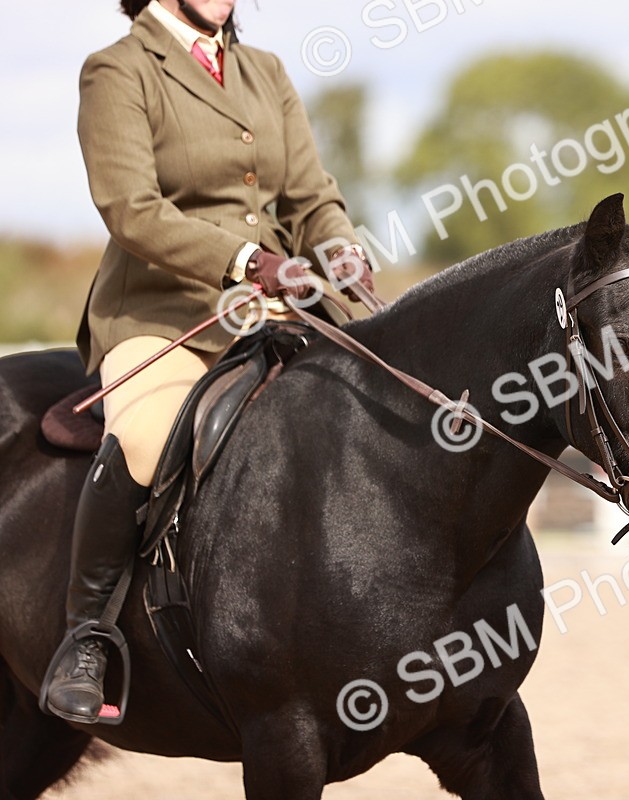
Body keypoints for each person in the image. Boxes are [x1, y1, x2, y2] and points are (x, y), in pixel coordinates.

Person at [42, 0, 375, 723]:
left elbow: (312, 195)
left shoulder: (265, 71)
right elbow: (130, 208)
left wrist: (340, 246)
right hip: (165, 314)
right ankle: (89, 637)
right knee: (147, 435)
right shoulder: (119, 70)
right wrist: (244, 259)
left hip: (279, 306)